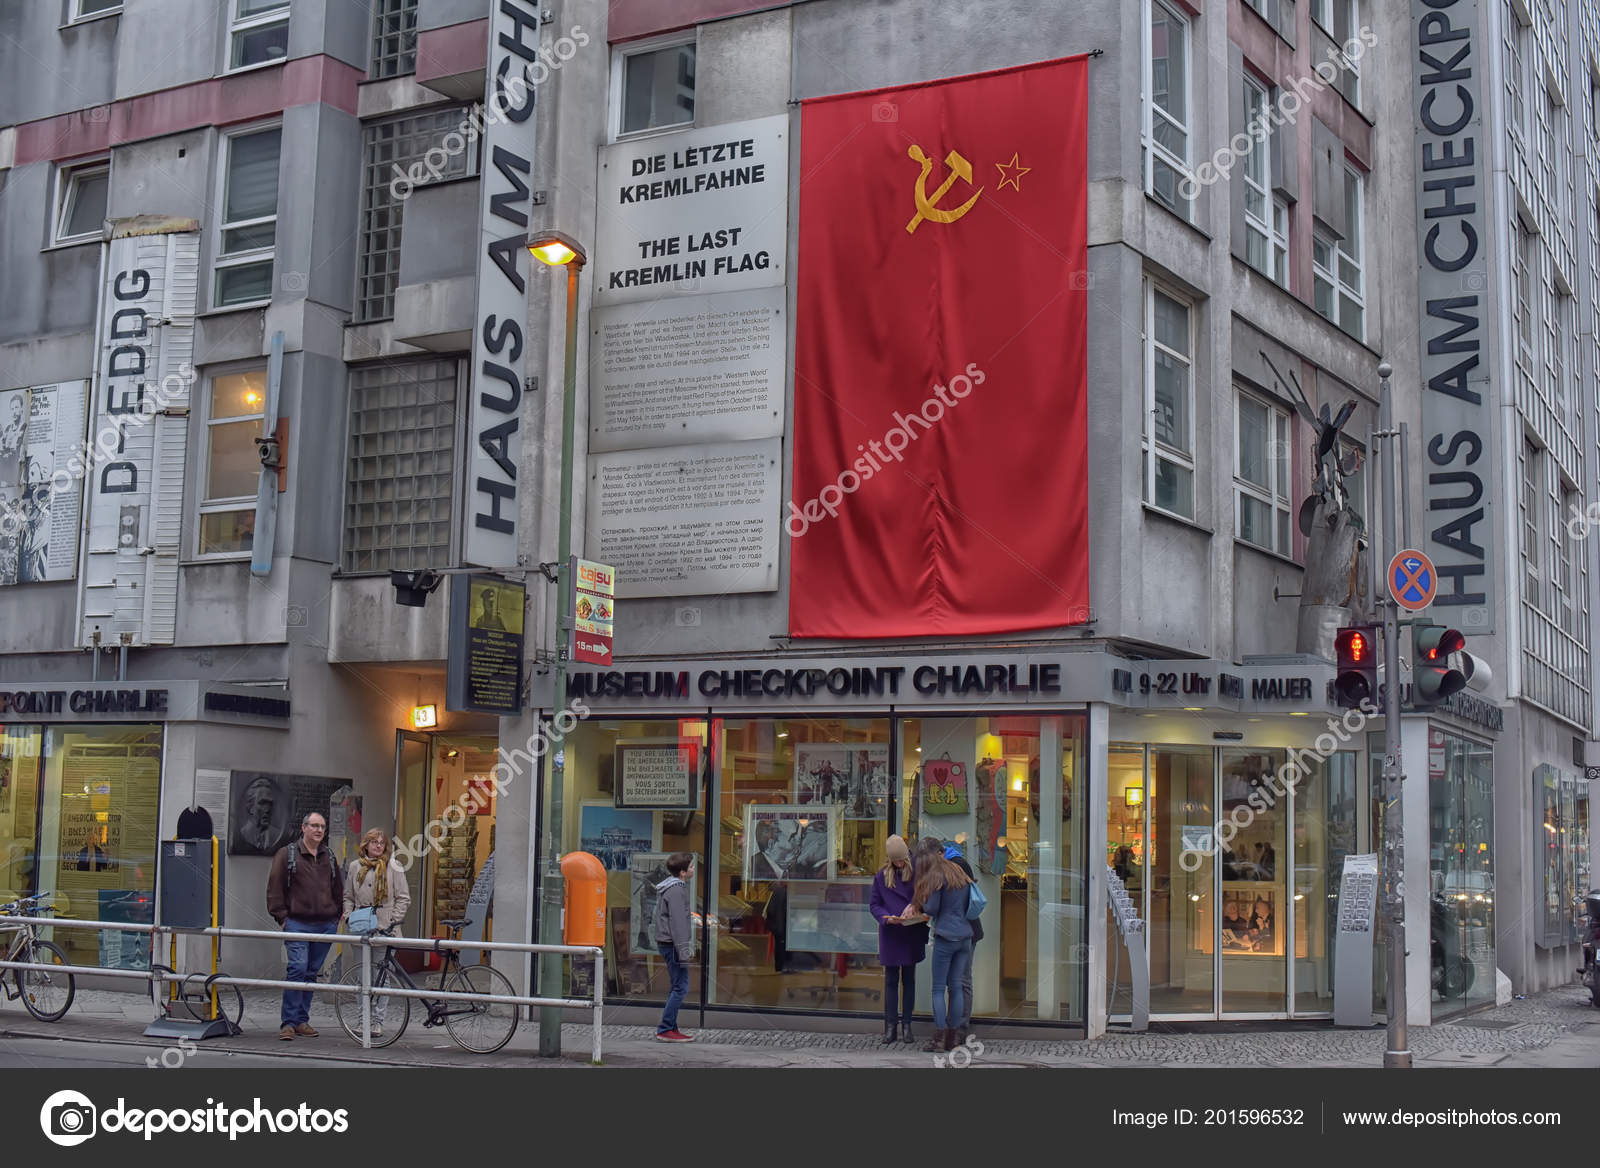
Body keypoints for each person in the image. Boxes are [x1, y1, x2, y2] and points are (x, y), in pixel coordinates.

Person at [267, 811, 344, 1040]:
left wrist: (336, 915)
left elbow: (338, 887)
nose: (319, 830)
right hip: (298, 923)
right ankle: (288, 1023)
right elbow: (274, 888)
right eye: (314, 826)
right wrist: (282, 917)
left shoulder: (328, 856)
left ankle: (302, 1020)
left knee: (311, 973)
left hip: (325, 925)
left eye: (322, 826)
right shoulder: (287, 854)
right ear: (304, 828)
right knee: (298, 969)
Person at [341, 828, 411, 1038]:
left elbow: (403, 898)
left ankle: (377, 1022)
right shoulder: (355, 867)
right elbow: (348, 896)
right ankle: (363, 1020)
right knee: (363, 977)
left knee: (382, 977)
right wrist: (348, 914)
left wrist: (391, 920)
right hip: (361, 927)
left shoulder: (394, 867)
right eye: (374, 842)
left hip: (384, 929)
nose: (378, 846)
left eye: (381, 843)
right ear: (366, 845)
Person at [908, 836, 974, 1052]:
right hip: (965, 936)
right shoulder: (959, 871)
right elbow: (968, 904)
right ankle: (954, 1038)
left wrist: (922, 904)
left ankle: (938, 1039)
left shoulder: (937, 875)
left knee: (938, 989)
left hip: (945, 936)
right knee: (955, 987)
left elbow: (933, 909)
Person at [869, 834, 927, 1044]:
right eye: (896, 861)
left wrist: (916, 907)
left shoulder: (917, 874)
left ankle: (907, 1026)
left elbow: (925, 896)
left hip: (910, 932)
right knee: (891, 981)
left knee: (909, 981)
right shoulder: (881, 876)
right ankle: (891, 1026)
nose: (900, 864)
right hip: (891, 933)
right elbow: (874, 904)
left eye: (902, 860)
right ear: (890, 860)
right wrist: (886, 918)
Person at [652, 852, 695, 1042]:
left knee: (676, 985)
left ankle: (671, 1027)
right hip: (673, 944)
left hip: (668, 942)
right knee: (681, 987)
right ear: (683, 872)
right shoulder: (677, 890)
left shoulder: (670, 887)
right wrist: (684, 950)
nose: (694, 869)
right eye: (692, 867)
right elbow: (677, 923)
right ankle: (665, 1029)